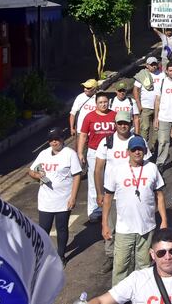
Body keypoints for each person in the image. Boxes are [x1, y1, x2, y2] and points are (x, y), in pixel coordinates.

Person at [102, 136, 167, 285]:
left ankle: (141, 297)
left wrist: (164, 220)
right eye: (134, 149)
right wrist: (105, 224)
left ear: (145, 151)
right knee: (120, 267)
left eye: (140, 149)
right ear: (128, 152)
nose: (137, 152)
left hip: (147, 227)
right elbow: (107, 198)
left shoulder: (152, 168)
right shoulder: (117, 170)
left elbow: (160, 196)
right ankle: (118, 299)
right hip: (124, 229)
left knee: (144, 267)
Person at [94, 111, 152, 274]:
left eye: (125, 123)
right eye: (119, 123)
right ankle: (111, 256)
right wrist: (99, 193)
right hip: (113, 194)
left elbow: (147, 164)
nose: (122, 126)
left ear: (130, 123)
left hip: (134, 192)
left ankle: (134, 256)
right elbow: (98, 169)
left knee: (135, 224)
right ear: (115, 124)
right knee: (111, 227)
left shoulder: (138, 141)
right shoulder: (107, 142)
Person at [28, 128, 81, 265]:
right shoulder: (43, 154)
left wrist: (73, 197)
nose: (54, 142)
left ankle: (61, 255)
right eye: (51, 140)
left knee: (61, 228)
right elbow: (31, 171)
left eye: (57, 139)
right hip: (46, 200)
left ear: (62, 139)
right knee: (43, 229)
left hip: (64, 199)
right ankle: (43, 256)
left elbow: (76, 176)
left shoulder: (70, 154)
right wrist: (36, 175)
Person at [78, 92, 117, 222]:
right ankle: (94, 210)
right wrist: (79, 153)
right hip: (94, 152)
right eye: (100, 102)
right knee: (94, 181)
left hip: (111, 152)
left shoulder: (114, 115)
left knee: (111, 180)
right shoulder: (89, 117)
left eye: (105, 102)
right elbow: (83, 135)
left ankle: (109, 208)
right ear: (96, 104)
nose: (103, 104)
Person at [153, 60, 172, 171]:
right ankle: (160, 163)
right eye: (170, 71)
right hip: (163, 118)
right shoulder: (161, 83)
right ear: (166, 71)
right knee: (162, 142)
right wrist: (156, 117)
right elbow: (157, 100)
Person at [132, 57, 163, 151]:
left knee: (156, 128)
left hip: (159, 106)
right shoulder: (143, 75)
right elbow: (135, 89)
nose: (154, 66)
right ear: (147, 65)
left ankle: (152, 147)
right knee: (144, 128)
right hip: (146, 106)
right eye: (151, 64)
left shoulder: (162, 75)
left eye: (155, 64)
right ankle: (143, 147)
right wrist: (138, 104)